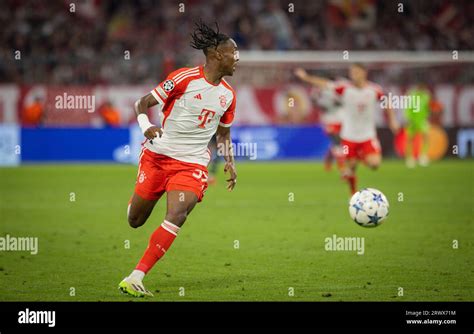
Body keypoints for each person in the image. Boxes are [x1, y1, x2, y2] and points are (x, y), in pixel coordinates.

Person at [118, 21, 239, 297]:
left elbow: (223, 133)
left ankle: (136, 276)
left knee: (178, 214)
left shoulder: (228, 96)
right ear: (218, 55)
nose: (237, 59)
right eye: (234, 53)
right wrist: (144, 124)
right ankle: (139, 198)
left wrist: (230, 160)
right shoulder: (184, 78)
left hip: (193, 164)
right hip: (158, 156)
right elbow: (142, 103)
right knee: (135, 220)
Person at [295, 64, 399, 194]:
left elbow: (386, 101)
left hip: (368, 135)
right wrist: (305, 77)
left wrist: (392, 120)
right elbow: (325, 83)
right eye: (352, 72)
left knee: (375, 164)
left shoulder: (374, 90)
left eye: (356, 72)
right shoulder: (344, 88)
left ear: (364, 73)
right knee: (351, 170)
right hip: (349, 135)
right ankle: (353, 194)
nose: (353, 75)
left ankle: (356, 157)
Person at [404, 84, 431, 167]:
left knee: (426, 137)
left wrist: (427, 117)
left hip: (422, 120)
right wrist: (408, 118)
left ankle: (422, 157)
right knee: (410, 139)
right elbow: (408, 108)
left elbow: (427, 108)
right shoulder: (412, 95)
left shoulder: (426, 96)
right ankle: (410, 158)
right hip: (413, 120)